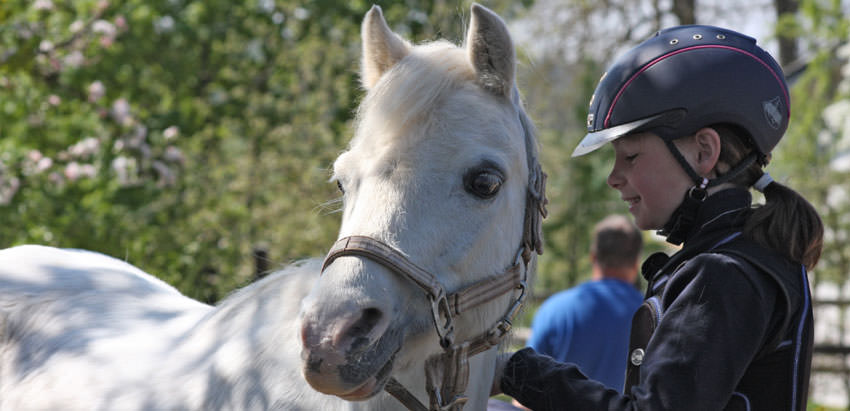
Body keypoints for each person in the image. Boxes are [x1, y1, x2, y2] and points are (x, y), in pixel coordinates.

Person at [491, 24, 823, 411]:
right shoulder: (735, 259)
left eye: (630, 156)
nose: (614, 178)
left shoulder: (721, 274)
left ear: (703, 152)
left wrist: (518, 372)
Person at [526, 214, 643, 391]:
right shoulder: (653, 315)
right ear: (636, 262)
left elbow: (527, 390)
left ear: (593, 257)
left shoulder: (554, 309)